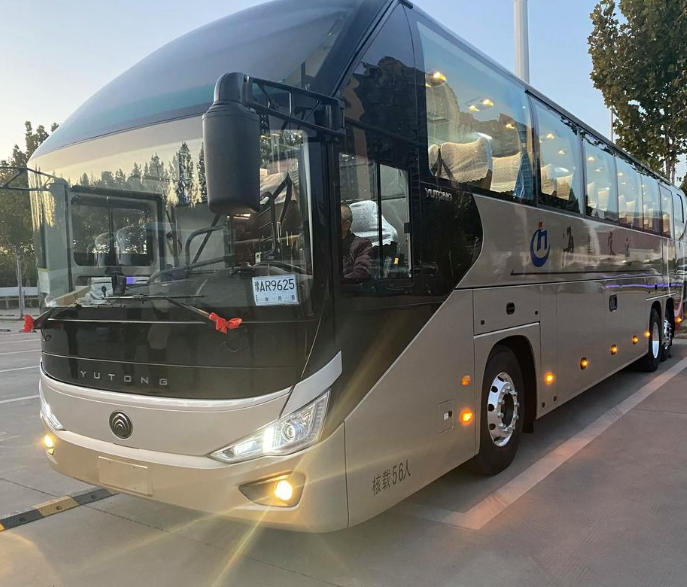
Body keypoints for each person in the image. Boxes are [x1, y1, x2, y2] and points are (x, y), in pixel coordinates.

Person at [341, 204, 373, 282]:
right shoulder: (327, 245)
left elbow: (361, 272)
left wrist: (338, 281)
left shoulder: (362, 245)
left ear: (346, 225)